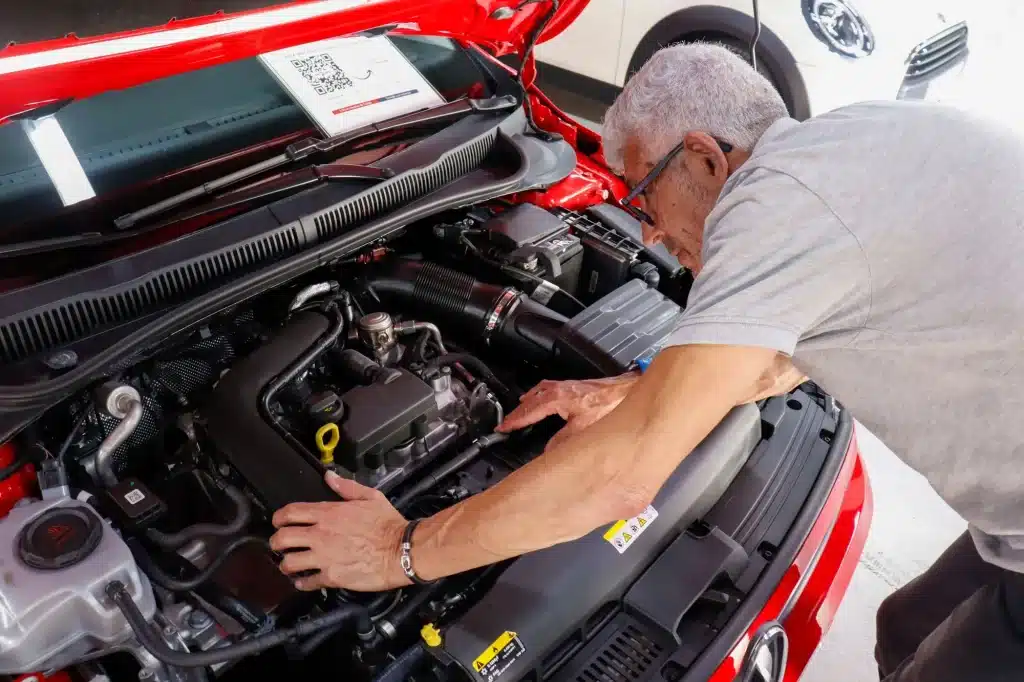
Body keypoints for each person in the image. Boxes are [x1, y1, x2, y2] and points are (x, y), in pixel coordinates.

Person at [268, 43, 1024, 680]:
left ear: (699, 155)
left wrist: (400, 551)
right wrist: (639, 392)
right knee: (908, 626)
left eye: (641, 197)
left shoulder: (777, 207)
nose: (653, 238)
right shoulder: (850, 142)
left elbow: (620, 481)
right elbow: (790, 359)